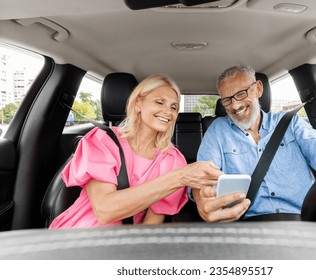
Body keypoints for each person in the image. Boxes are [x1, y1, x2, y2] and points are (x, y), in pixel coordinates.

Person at [50, 74, 222, 228]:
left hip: (126, 241)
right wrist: (179, 177)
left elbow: (150, 227)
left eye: (174, 107)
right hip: (77, 232)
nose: (167, 112)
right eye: (159, 102)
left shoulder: (174, 160)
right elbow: (105, 210)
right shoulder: (102, 140)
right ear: (138, 103)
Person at [192, 65, 316, 222]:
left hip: (302, 221)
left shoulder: (290, 123)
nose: (235, 105)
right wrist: (202, 203)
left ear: (258, 89)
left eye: (241, 94)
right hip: (248, 225)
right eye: (227, 100)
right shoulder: (218, 131)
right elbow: (202, 178)